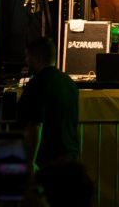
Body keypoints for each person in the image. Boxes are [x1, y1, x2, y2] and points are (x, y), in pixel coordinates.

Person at [15, 37, 79, 171]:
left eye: (28, 56)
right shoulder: (69, 83)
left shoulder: (37, 84)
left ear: (37, 57)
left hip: (47, 161)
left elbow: (35, 125)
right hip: (70, 157)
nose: (26, 61)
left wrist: (31, 161)